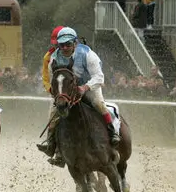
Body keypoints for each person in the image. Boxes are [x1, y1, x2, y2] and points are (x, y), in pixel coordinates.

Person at [37, 26, 120, 162]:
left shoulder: (88, 54)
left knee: (99, 104)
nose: (64, 48)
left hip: (89, 86)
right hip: (67, 91)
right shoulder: (53, 58)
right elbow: (53, 78)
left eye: (68, 44)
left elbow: (99, 77)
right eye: (61, 45)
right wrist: (58, 94)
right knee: (53, 114)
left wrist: (85, 87)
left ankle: (112, 133)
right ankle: (52, 146)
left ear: (75, 43)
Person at [37, 26, 65, 165]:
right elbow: (46, 78)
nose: (56, 45)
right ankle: (51, 146)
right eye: (55, 42)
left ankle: (110, 133)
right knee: (52, 119)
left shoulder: (78, 52)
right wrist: (52, 91)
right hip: (57, 93)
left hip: (76, 90)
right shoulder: (48, 57)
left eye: (57, 42)